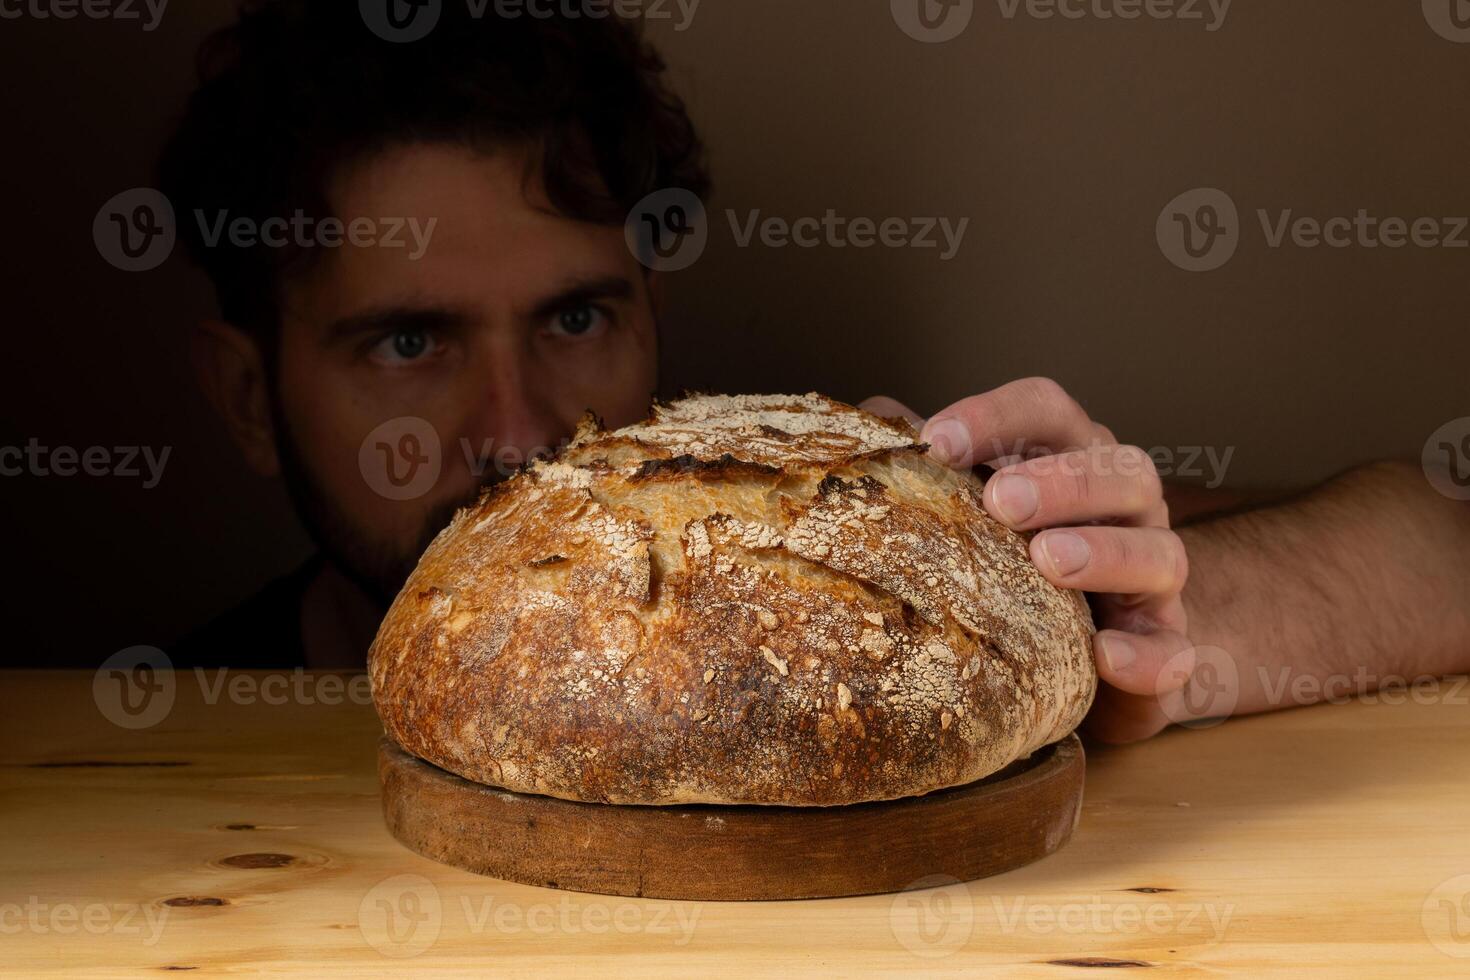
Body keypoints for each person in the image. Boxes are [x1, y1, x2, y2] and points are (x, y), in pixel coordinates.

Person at [162, 2, 1470, 743]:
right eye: (409, 343)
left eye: (573, 321)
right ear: (245, 399)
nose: (520, 436)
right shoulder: (161, 736)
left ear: (650, 317)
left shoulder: (834, 588)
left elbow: (1437, 552)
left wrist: (1105, 641)